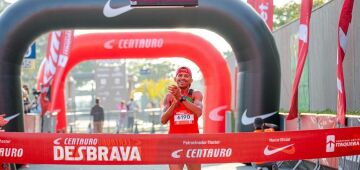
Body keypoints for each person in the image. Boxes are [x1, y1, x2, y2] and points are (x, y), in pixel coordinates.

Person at [161, 66, 203, 170]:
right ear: (175, 79)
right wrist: (174, 104)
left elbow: (198, 112)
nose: (182, 78)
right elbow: (163, 120)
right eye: (180, 75)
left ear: (191, 80)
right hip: (174, 142)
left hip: (193, 142)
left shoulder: (195, 94)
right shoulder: (169, 96)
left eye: (186, 76)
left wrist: (181, 98)